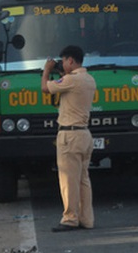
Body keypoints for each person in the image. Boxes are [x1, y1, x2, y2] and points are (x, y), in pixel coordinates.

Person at [41, 45, 96, 232]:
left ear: (70, 61)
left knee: (68, 180)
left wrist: (47, 70)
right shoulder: (89, 79)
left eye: (64, 61)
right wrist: (60, 72)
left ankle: (70, 218)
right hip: (84, 134)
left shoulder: (72, 80)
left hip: (69, 135)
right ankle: (86, 219)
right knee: (83, 179)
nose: (62, 64)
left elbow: (45, 89)